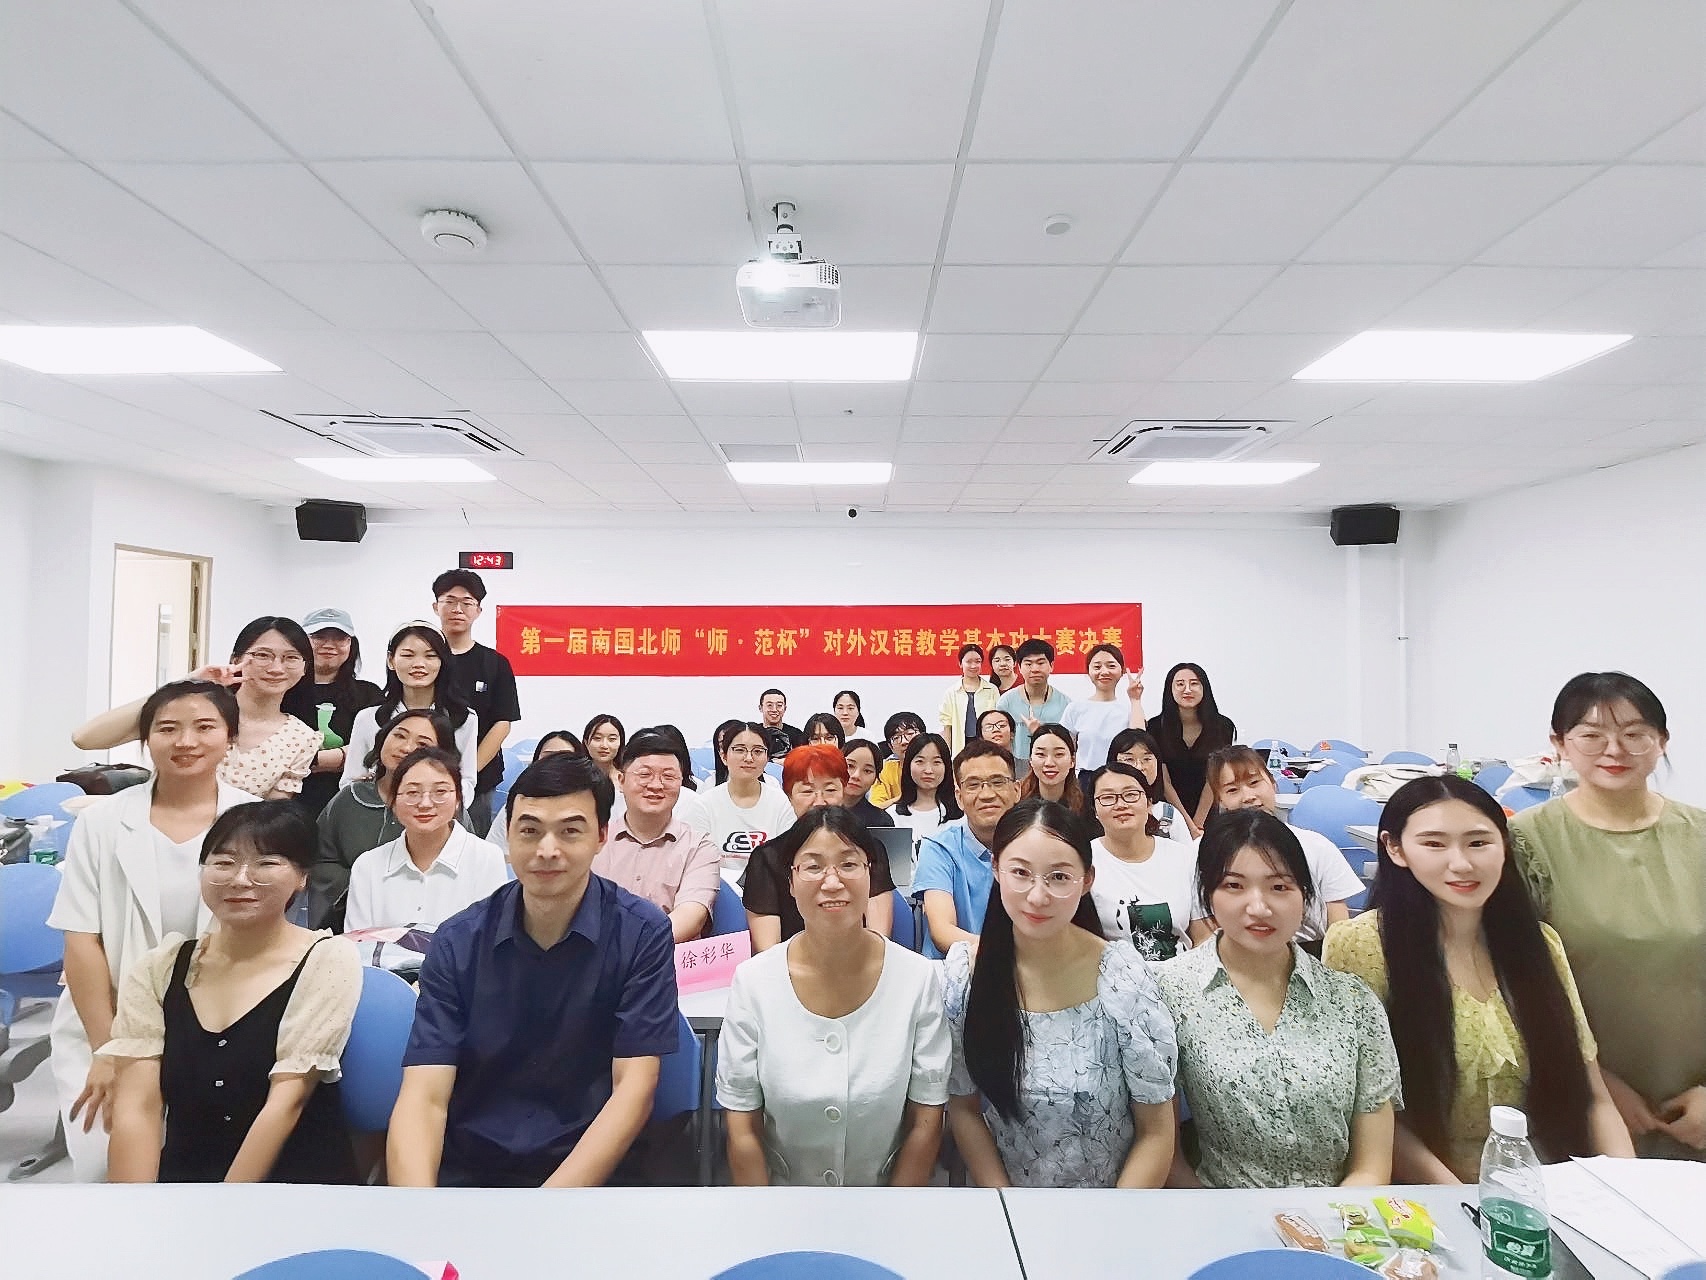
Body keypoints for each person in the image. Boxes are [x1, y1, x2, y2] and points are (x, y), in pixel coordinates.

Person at [387, 753, 678, 1188]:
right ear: (508, 835)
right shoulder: (458, 941)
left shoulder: (641, 933)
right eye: (530, 830)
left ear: (601, 836)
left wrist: (542, 1210)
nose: (547, 850)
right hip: (473, 1174)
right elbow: (424, 1096)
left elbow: (633, 1091)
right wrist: (419, 1210)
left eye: (570, 831)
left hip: (594, 1180)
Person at [1324, 776, 1633, 1183]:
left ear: (1504, 844)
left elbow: (1593, 1098)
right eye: (1434, 844)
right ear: (1395, 849)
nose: (1462, 864)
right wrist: (1466, 1201)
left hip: (1548, 1185)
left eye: (1478, 842)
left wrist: (1627, 1184)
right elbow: (1371, 1115)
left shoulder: (1540, 944)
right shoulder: (1361, 946)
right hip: (1428, 1195)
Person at [48, 679, 257, 1180]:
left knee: (201, 1175)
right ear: (145, 739)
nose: (186, 741)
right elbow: (82, 940)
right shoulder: (102, 823)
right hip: (106, 1018)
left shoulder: (253, 821)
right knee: (106, 1170)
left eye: (204, 727)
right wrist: (108, 1050)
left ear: (230, 736)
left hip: (216, 1028)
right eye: (167, 729)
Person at [100, 801, 362, 1184]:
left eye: (266, 863)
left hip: (299, 1186)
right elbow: (137, 1107)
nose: (240, 879)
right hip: (184, 1184)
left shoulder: (327, 959)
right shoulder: (160, 968)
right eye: (223, 863)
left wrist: (225, 1204)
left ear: (302, 877)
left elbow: (287, 1103)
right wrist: (135, 1205)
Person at [1509, 672, 1706, 1161]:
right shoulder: (1528, 841)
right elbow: (1516, 978)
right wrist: (1596, 1084)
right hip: (1578, 1094)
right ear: (1560, 744)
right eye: (1592, 735)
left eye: (1634, 734)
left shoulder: (1700, 836)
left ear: (1662, 741)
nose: (1614, 750)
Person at [1154, 809, 1400, 1189]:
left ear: (1306, 895)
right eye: (1234, 886)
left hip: (1339, 1212)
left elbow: (1372, 1164)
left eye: (1280, 887)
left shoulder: (1353, 1002)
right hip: (1219, 1206)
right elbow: (1166, 1157)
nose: (1259, 908)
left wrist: (1332, 1218)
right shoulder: (1168, 992)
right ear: (1207, 896)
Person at [944, 800, 1177, 1188]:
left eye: (1059, 877)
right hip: (1005, 1204)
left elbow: (1156, 1131)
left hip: (1112, 1203)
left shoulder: (1122, 979)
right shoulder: (966, 976)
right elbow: (964, 1108)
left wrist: (1113, 1217)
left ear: (1087, 880)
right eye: (1021, 873)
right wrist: (1009, 1205)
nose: (1038, 896)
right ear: (996, 869)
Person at [717, 806, 950, 1187]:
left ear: (870, 875)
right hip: (783, 1199)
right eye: (813, 866)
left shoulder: (916, 979)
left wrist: (897, 1209)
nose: (832, 881)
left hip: (886, 1199)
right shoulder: (754, 982)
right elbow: (742, 1130)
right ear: (791, 882)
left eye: (848, 864)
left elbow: (926, 1124)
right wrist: (764, 1212)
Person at [73, 616, 324, 802]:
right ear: (236, 660)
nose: (276, 668)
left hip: (226, 848)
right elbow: (85, 738)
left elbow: (270, 816)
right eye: (262, 655)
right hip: (159, 827)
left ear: (305, 667)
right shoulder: (194, 711)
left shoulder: (301, 738)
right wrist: (185, 685)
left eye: (291, 658)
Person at [309, 708, 471, 932]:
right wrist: (367, 885)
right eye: (399, 735)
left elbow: (467, 868)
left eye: (422, 744)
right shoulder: (350, 799)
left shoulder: (447, 807)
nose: (406, 748)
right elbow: (321, 858)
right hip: (355, 922)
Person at [1197, 746, 1366, 949]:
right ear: (1220, 800)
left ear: (1273, 783)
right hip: (1232, 952)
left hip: (1309, 950)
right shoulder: (1202, 851)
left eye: (1254, 783)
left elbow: (1338, 925)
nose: (1248, 796)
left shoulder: (1317, 846)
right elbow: (1201, 932)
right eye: (1233, 790)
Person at [344, 746, 508, 932]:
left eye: (440, 791)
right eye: (412, 793)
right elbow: (357, 944)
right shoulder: (367, 866)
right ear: (393, 801)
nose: (425, 803)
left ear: (458, 799)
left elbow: (489, 938)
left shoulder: (487, 858)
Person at [744, 747, 894, 948]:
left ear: (843, 790)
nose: (820, 801)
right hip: (790, 962)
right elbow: (768, 950)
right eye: (807, 791)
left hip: (859, 957)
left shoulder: (869, 849)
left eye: (830, 790)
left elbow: (879, 939)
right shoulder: (767, 858)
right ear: (789, 795)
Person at [591, 732, 721, 943]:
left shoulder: (699, 847)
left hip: (666, 957)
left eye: (668, 777)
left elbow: (691, 917)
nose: (656, 785)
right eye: (645, 774)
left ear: (681, 784)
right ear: (621, 781)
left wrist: (633, 949)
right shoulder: (592, 841)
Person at [431, 570, 522, 837]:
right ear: (436, 607)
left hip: (478, 781)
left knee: (472, 847)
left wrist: (466, 774)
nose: (457, 609)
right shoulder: (425, 660)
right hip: (424, 777)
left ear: (478, 610)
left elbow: (502, 723)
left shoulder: (495, 663)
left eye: (466, 602)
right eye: (449, 601)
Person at [341, 624, 478, 801]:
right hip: (377, 810)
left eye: (430, 656)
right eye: (408, 655)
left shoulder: (463, 718)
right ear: (391, 660)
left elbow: (466, 782)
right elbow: (350, 782)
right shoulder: (368, 718)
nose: (419, 664)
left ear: (443, 662)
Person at [914, 740, 1021, 959]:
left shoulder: (1034, 847)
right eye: (973, 785)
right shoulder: (939, 848)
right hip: (957, 970)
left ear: (1016, 790)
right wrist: (1004, 955)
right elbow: (942, 930)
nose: (987, 794)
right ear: (959, 797)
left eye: (997, 782)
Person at [1088, 763, 1201, 960]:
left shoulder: (1184, 858)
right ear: (1095, 810)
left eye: (1131, 794)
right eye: (1107, 797)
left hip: (1181, 972)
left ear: (1149, 803)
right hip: (1112, 975)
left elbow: (1203, 936)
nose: (1121, 804)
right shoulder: (1085, 861)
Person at [297, 608, 384, 819]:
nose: (329, 645)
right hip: (290, 803)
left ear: (351, 644)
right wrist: (345, 756)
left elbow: (379, 747)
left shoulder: (369, 694)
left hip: (351, 805)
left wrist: (313, 760)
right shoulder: (284, 692)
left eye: (339, 638)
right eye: (319, 637)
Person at [1147, 662, 1236, 837]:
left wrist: (1198, 824)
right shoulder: (1155, 727)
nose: (1187, 690)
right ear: (1170, 690)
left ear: (1204, 688)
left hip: (1208, 809)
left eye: (1194, 683)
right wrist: (1187, 824)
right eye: (1180, 684)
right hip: (1168, 811)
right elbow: (1164, 781)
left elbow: (1214, 777)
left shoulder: (1222, 726)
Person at [701, 722, 797, 875]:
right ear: (724, 756)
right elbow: (700, 863)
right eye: (740, 750)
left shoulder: (780, 802)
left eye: (758, 751)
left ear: (767, 758)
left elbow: (786, 858)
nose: (749, 758)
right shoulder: (705, 803)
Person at [482, 730, 583, 854]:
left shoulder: (590, 803)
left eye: (565, 757)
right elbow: (497, 853)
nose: (555, 762)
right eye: (548, 756)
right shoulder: (517, 805)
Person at [1062, 645, 1145, 794]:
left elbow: (1139, 740)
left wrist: (1135, 699)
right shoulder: (1075, 708)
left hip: (1123, 779)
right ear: (1088, 672)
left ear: (1121, 671)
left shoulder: (1130, 708)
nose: (1104, 671)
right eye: (1097, 667)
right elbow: (1064, 747)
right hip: (1086, 781)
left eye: (1111, 666)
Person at [996, 638, 1071, 765]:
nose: (1035, 669)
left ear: (1051, 666)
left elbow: (1069, 744)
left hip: (1051, 766)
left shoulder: (1066, 704)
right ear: (1019, 667)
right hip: (1015, 767)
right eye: (1028, 664)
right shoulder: (1006, 702)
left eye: (1040, 663)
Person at [893, 732, 963, 847]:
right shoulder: (893, 816)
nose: (928, 770)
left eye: (937, 762)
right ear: (908, 765)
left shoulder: (962, 816)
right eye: (920, 761)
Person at [939, 644, 1000, 755]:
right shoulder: (951, 692)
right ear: (960, 664)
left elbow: (998, 720)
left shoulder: (992, 690)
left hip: (986, 745)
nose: (973, 666)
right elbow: (947, 726)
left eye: (977, 661)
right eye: (969, 662)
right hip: (961, 747)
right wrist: (947, 754)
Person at [1018, 723, 1087, 816]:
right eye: (1041, 754)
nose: (1049, 763)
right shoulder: (1016, 800)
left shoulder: (1086, 806)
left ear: (1072, 760)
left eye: (1059, 754)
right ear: (1030, 760)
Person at [865, 711, 925, 809]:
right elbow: (875, 807)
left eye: (910, 733)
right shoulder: (885, 769)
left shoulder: (938, 765)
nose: (904, 741)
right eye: (896, 738)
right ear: (890, 747)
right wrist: (903, 798)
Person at [842, 738, 896, 829]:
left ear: (875, 779)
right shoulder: (818, 807)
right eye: (850, 766)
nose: (856, 776)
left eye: (867, 771)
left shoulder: (881, 822)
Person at [582, 714, 626, 789]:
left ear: (620, 743)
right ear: (586, 743)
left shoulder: (626, 780)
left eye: (612, 739)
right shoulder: (576, 777)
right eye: (597, 738)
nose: (604, 745)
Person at [758, 688, 803, 759]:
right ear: (760, 708)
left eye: (779, 705)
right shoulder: (754, 733)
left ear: (785, 709)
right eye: (769, 705)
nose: (774, 710)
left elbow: (802, 759)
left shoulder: (796, 735)